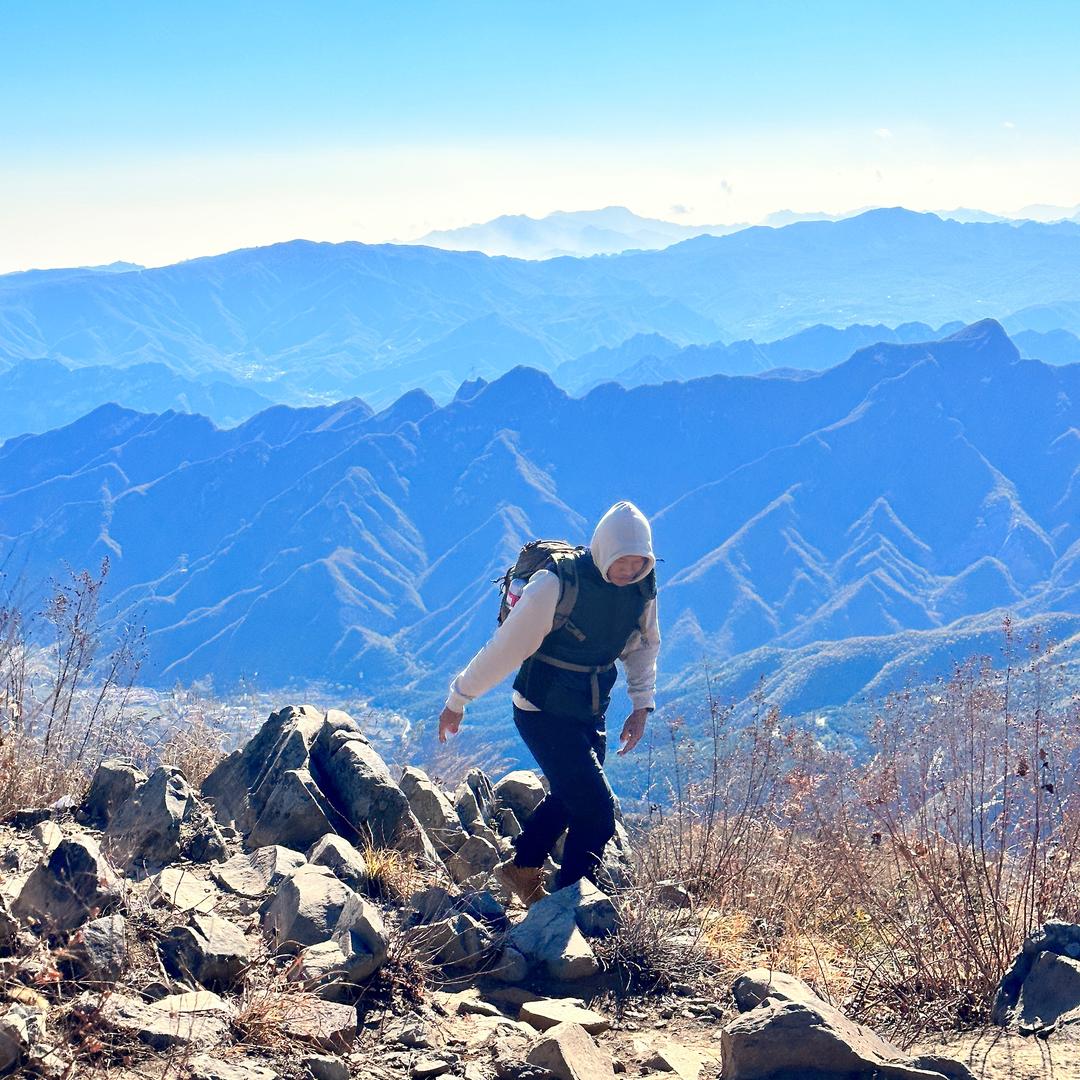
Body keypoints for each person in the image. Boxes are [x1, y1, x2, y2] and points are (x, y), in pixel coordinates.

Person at [438, 500, 660, 906]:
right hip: (541, 711)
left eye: (638, 562)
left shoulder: (641, 588)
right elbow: (505, 649)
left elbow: (643, 646)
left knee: (569, 794)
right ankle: (570, 907)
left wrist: (641, 705)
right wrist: (459, 698)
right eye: (623, 561)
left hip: (589, 709)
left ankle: (521, 868)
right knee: (596, 813)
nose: (630, 571)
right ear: (604, 550)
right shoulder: (556, 585)